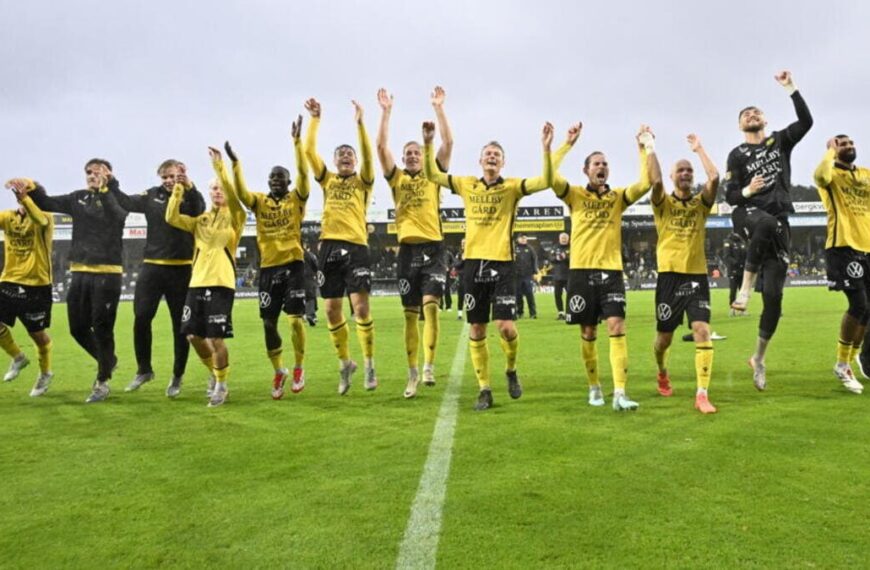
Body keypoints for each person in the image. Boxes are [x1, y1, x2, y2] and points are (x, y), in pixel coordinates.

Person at [423, 120, 553, 411]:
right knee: (477, 328)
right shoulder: (466, 184)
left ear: (503, 162)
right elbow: (431, 174)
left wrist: (546, 149)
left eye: (497, 154)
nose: (492, 157)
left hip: (503, 264)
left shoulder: (512, 187)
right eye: (488, 154)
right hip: (473, 265)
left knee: (506, 328)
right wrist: (429, 143)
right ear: (480, 161)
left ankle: (511, 369)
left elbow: (545, 180)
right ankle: (484, 389)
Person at [550, 122, 658, 410]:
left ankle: (620, 392)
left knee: (616, 325)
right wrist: (566, 144)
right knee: (588, 332)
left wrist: (642, 149)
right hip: (580, 272)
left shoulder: (617, 198)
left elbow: (646, 183)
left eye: (605, 164)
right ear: (586, 170)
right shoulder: (574, 195)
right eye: (597, 163)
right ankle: (594, 386)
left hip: (611, 272)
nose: (602, 167)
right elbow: (550, 177)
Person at [724, 71, 813, 390]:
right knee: (763, 222)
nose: (751, 114)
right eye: (745, 114)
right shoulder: (736, 154)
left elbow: (806, 122)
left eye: (756, 112)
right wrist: (748, 190)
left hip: (779, 223)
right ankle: (745, 289)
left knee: (774, 298)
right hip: (747, 214)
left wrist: (791, 88)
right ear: (739, 125)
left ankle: (758, 359)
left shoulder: (779, 141)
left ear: (765, 120)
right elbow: (730, 196)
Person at [223, 115, 310, 400]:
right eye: (272, 177)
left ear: (288, 181)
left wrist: (297, 143)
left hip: (293, 264)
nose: (275, 180)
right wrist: (236, 164)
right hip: (269, 268)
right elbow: (240, 193)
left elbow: (304, 174)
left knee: (295, 321)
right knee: (268, 323)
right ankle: (279, 370)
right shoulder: (259, 201)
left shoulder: (296, 198)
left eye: (279, 177)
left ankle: (299, 367)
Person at [28, 159, 128, 403]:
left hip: (107, 273)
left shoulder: (117, 197)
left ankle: (102, 382)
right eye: (89, 172)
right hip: (80, 272)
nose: (92, 175)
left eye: (98, 172)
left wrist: (106, 189)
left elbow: (119, 217)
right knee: (77, 328)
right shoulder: (78, 198)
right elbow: (47, 203)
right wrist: (30, 187)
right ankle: (108, 361)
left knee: (102, 328)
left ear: (109, 174)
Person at [376, 86, 454, 398]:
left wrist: (439, 109)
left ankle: (429, 366)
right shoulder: (396, 178)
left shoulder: (433, 175)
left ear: (423, 157)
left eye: (415, 152)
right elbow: (380, 146)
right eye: (407, 153)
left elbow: (448, 143)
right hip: (407, 252)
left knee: (430, 309)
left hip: (434, 249)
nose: (411, 156)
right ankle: (411, 375)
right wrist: (386, 112)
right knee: (409, 316)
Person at [110, 160, 205, 397]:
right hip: (152, 267)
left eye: (173, 176)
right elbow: (125, 201)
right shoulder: (151, 195)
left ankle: (177, 375)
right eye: (165, 177)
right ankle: (144, 370)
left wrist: (189, 186)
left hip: (181, 269)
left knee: (180, 325)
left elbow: (199, 209)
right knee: (141, 317)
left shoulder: (191, 196)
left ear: (182, 175)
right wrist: (112, 182)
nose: (169, 181)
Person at [304, 97, 377, 394]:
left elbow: (369, 157)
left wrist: (360, 124)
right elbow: (309, 152)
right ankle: (346, 363)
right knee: (332, 311)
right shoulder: (328, 180)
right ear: (335, 161)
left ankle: (369, 364)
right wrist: (315, 120)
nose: (346, 157)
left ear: (355, 161)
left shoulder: (364, 181)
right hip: (329, 248)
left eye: (350, 154)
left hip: (356, 247)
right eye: (341, 154)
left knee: (360, 308)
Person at [165, 148, 246, 407]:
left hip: (221, 284)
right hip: (196, 283)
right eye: (213, 189)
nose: (218, 191)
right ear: (209, 193)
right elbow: (171, 217)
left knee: (215, 338)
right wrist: (179, 186)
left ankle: (221, 386)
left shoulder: (236, 217)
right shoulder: (200, 220)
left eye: (221, 188)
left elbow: (233, 194)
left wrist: (219, 167)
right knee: (192, 336)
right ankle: (215, 374)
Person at [650, 134, 720, 414]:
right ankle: (662, 371)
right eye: (680, 170)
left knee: (702, 329)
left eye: (689, 170)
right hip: (668, 277)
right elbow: (655, 181)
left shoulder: (701, 204)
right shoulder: (663, 203)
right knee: (663, 340)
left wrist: (699, 149)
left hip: (696, 277)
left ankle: (702, 394)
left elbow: (714, 178)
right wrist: (649, 146)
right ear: (672, 176)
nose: (686, 173)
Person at [813, 135, 868, 394]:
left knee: (868, 310)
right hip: (843, 246)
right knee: (859, 304)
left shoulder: (865, 174)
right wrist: (829, 153)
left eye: (851, 143)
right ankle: (842, 364)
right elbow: (820, 176)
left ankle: (852, 357)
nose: (849, 146)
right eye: (842, 144)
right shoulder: (830, 174)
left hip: (868, 247)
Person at [0, 180, 55, 396]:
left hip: (37, 285)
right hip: (10, 280)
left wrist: (26, 198)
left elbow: (39, 219)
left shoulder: (46, 217)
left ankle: (45, 373)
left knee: (38, 335)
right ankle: (18, 357)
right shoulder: (8, 217)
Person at [514, 234, 539, 319]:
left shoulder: (530, 248)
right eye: (522, 238)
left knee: (529, 294)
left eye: (525, 238)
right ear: (518, 239)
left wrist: (535, 271)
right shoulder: (514, 248)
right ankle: (520, 312)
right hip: (517, 276)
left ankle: (533, 313)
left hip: (527, 275)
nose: (523, 239)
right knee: (518, 295)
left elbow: (535, 259)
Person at [722, 231, 747, 316]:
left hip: (743, 270)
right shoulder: (728, 242)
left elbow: (746, 255)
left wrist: (746, 264)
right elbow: (727, 256)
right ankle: (732, 309)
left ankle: (742, 310)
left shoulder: (742, 242)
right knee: (733, 290)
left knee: (742, 291)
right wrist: (736, 263)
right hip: (733, 270)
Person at [550, 232, 570, 320]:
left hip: (569, 276)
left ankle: (569, 312)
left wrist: (566, 258)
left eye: (565, 238)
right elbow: (550, 258)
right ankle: (561, 313)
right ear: (559, 238)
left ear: (568, 239)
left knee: (570, 295)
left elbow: (575, 259)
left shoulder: (572, 247)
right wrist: (557, 258)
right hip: (557, 276)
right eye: (562, 238)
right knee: (557, 295)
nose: (564, 239)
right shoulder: (555, 247)